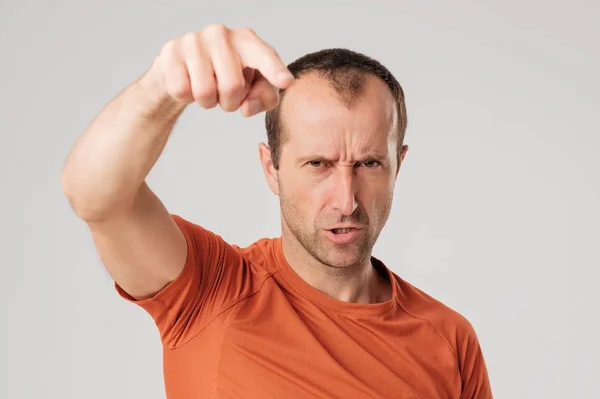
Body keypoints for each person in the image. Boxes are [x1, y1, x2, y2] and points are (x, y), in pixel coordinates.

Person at [61, 24, 493, 399]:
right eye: (318, 165)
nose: (346, 200)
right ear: (272, 168)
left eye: (368, 164)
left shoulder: (448, 339)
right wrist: (163, 85)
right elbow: (97, 196)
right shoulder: (210, 291)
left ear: (398, 165)